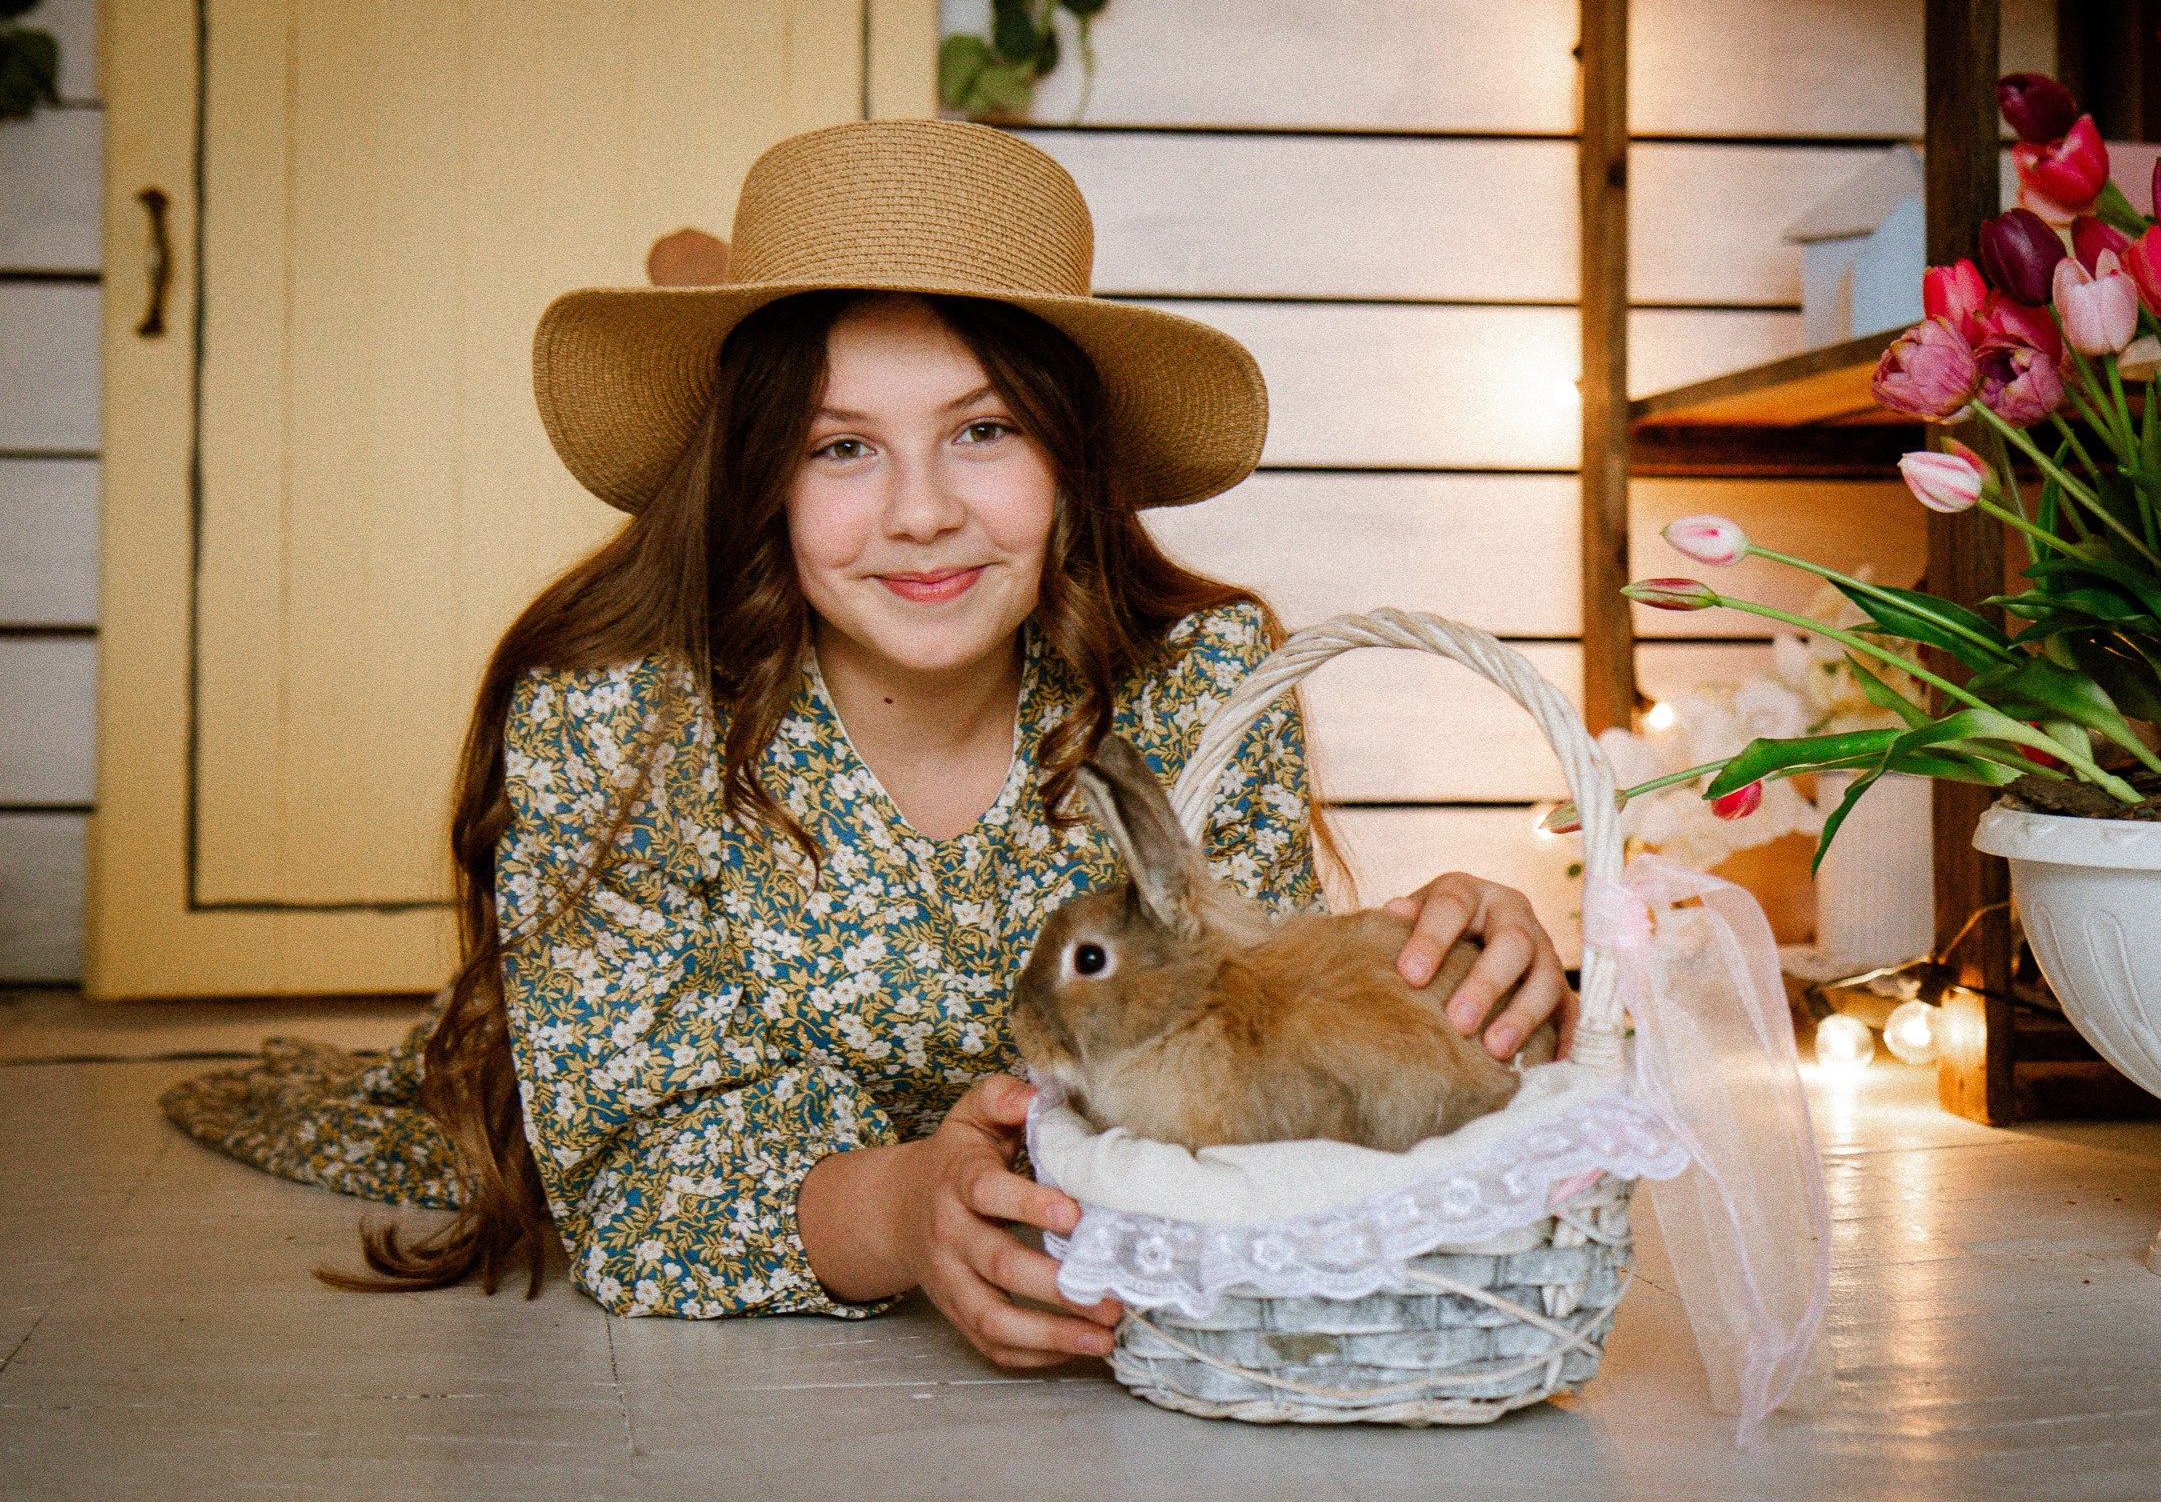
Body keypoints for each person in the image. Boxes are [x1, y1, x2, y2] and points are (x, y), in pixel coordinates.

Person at [163, 121, 1573, 1369]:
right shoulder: (619, 722)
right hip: (619, 1120)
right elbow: (631, 1171)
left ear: (1075, 457)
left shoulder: (1195, 691)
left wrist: (1445, 980)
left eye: (983, 430)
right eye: (841, 447)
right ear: (758, 472)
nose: (918, 514)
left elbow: (1243, 1053)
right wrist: (903, 1214)